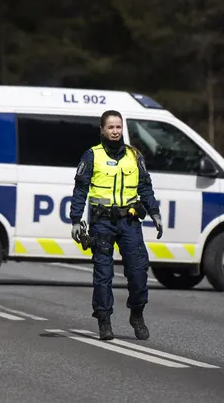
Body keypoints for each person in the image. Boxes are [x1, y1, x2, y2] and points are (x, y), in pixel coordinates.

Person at [70, 109, 163, 341]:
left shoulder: (135, 156)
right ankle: (104, 321)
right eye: (110, 127)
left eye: (118, 127)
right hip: (102, 223)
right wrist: (75, 220)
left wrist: (154, 212)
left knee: (138, 272)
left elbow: (145, 187)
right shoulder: (91, 156)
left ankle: (137, 314)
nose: (115, 131)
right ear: (102, 130)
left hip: (130, 221)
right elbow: (80, 190)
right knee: (103, 274)